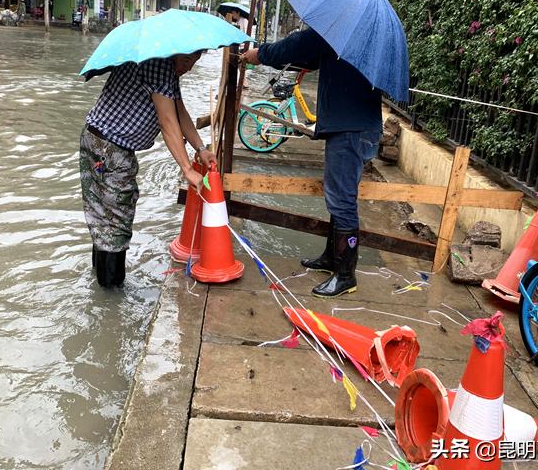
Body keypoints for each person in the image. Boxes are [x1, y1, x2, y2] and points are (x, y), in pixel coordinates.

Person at [240, 29, 382, 298]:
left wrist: (260, 54)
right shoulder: (361, 37)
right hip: (355, 125)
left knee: (342, 200)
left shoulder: (339, 29)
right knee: (337, 195)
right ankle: (332, 258)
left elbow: (298, 45)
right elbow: (315, 57)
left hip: (350, 129)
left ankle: (346, 275)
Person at [80, 52, 216, 288]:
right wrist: (187, 168)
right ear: (177, 50)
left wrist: (200, 148)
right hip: (109, 149)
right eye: (187, 60)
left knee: (104, 216)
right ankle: (111, 293)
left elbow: (179, 111)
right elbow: (167, 121)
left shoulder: (166, 68)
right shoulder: (159, 65)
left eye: (195, 61)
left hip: (101, 142)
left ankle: (100, 284)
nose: (189, 67)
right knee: (115, 221)